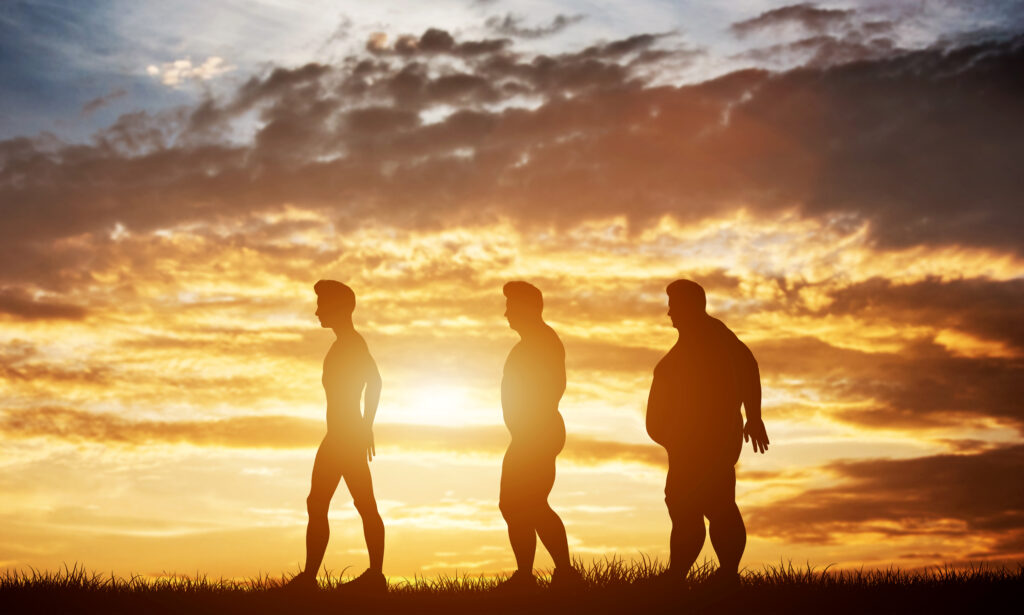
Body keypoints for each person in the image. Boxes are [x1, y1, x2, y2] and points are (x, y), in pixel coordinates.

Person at [646, 279, 768, 586]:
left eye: (674, 305)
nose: (669, 312)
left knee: (714, 504)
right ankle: (682, 574)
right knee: (685, 503)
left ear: (691, 306)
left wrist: (753, 417)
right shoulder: (695, 338)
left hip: (708, 439)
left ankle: (715, 574)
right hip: (686, 441)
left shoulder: (716, 336)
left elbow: (748, 368)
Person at [287, 280, 386, 593]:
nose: (317, 312)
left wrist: (365, 425)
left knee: (356, 504)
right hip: (340, 434)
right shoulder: (346, 343)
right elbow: (376, 381)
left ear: (339, 308)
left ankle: (372, 577)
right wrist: (364, 425)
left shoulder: (352, 344)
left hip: (345, 435)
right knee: (325, 503)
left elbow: (376, 382)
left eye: (322, 305)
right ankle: (319, 578)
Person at [496, 281, 584, 592]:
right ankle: (526, 575)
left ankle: (563, 572)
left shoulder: (543, 341)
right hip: (526, 434)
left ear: (527, 308)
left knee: (531, 503)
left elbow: (553, 387)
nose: (506, 313)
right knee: (514, 504)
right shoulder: (531, 342)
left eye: (511, 306)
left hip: (537, 432)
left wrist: (530, 424)